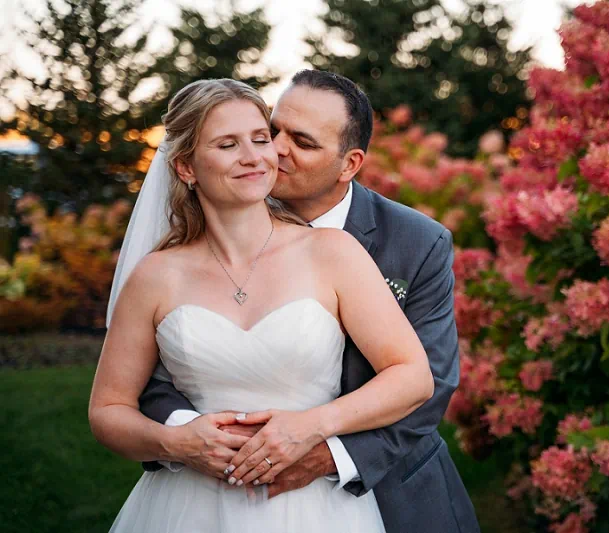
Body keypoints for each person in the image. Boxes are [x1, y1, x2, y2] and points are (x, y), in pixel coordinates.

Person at [137, 70, 480, 533]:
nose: (272, 149)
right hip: (217, 489)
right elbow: (155, 370)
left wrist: (323, 455)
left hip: (389, 490)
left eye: (301, 140)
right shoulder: (198, 232)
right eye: (272, 129)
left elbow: (430, 382)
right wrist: (193, 436)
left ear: (348, 164)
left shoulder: (416, 243)